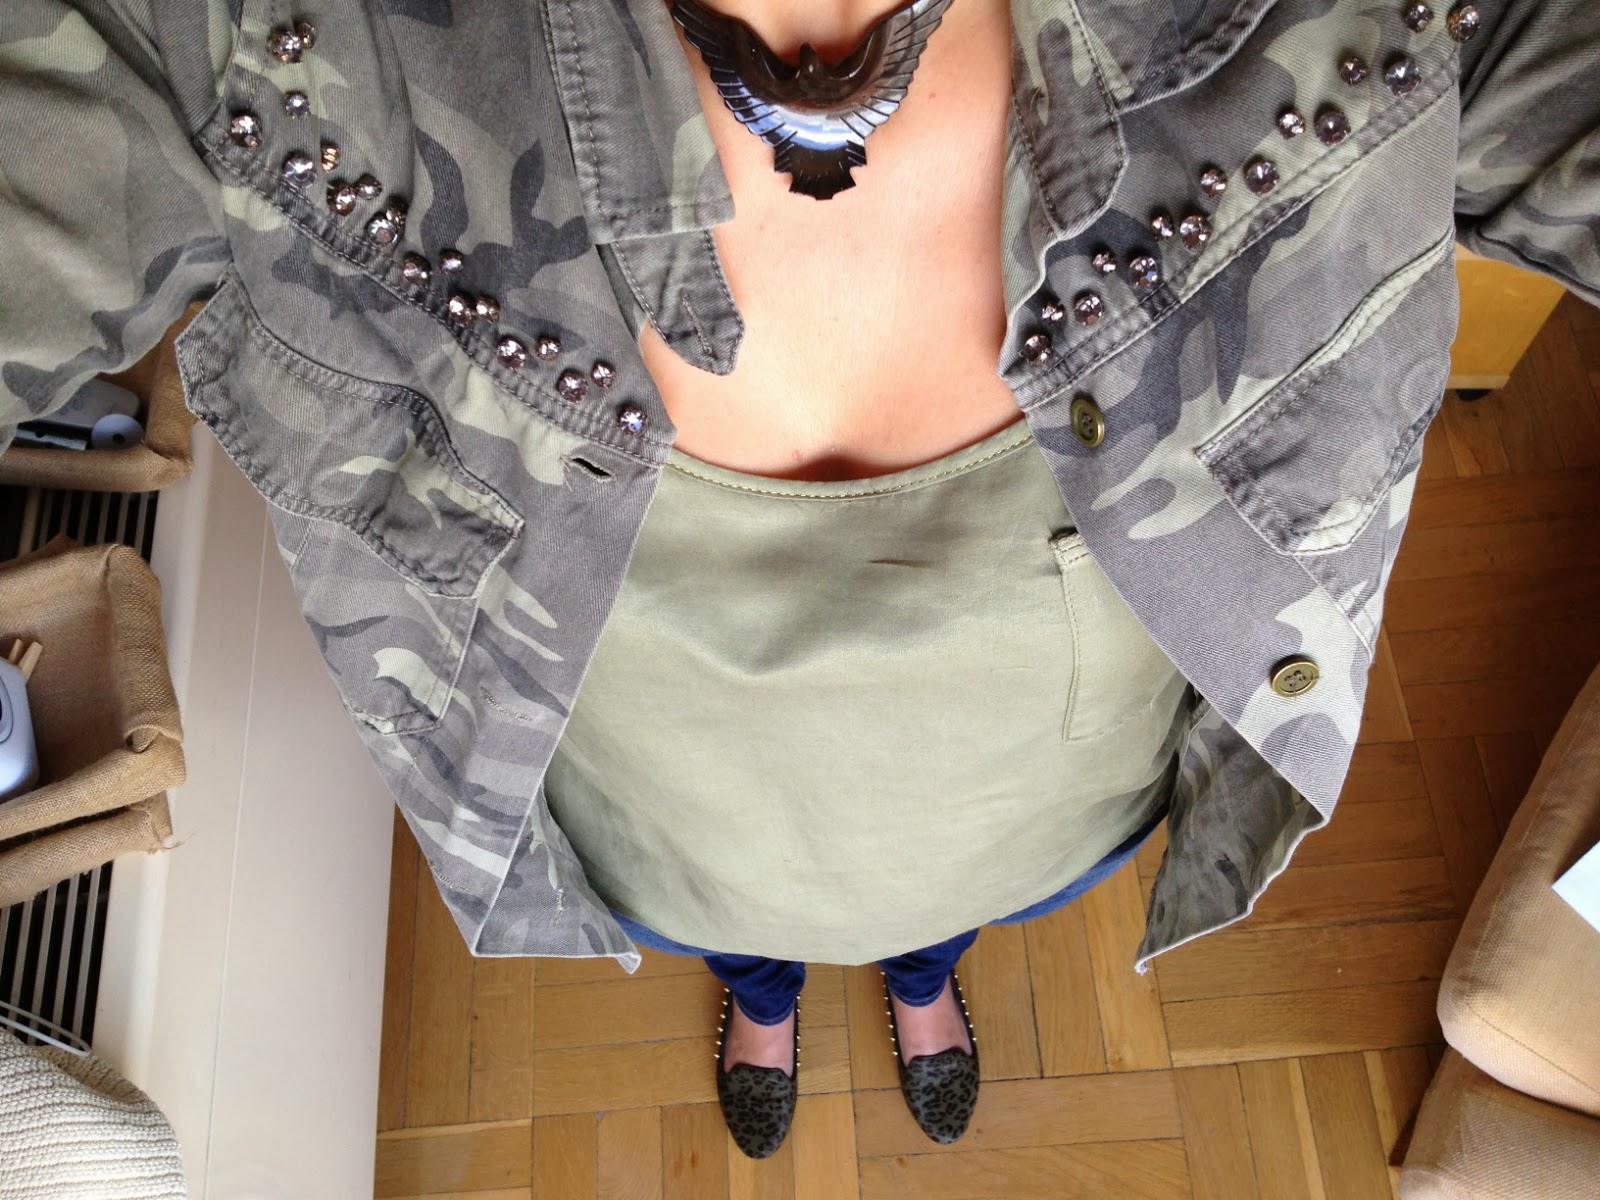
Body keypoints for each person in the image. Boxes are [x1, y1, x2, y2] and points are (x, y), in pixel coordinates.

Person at [2, 0, 1596, 1162]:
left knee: (943, 914)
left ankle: (924, 976)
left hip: (1035, 791)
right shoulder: (233, 39)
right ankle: (760, 997)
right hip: (667, 809)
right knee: (745, 924)